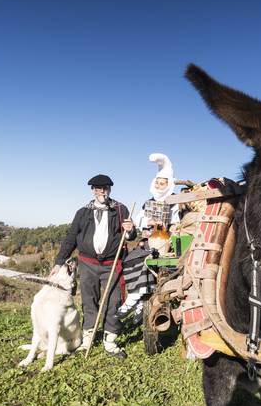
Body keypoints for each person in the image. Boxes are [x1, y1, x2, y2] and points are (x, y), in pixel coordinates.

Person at [50, 174, 136, 359]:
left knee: (114, 301)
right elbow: (71, 238)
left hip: (112, 264)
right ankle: (88, 339)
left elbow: (130, 236)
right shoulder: (82, 212)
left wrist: (130, 230)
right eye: (98, 188)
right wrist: (59, 262)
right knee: (89, 300)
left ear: (110, 189)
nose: (101, 191)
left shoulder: (121, 209)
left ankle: (110, 342)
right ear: (93, 190)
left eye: (104, 188)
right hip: (87, 263)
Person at [118, 154, 179, 322]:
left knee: (148, 261)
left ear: (169, 184)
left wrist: (166, 226)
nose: (159, 186)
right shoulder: (148, 202)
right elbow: (139, 220)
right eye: (158, 183)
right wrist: (148, 221)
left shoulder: (174, 203)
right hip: (147, 241)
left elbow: (178, 223)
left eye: (163, 183)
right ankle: (137, 298)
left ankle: (135, 300)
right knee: (131, 259)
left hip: (165, 244)